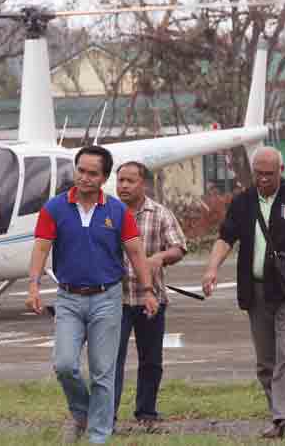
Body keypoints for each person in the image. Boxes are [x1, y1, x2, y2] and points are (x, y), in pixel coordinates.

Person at [26, 146, 158, 445]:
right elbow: (41, 247)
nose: (84, 178)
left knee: (103, 372)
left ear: (103, 177)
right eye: (80, 171)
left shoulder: (117, 211)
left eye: (92, 173)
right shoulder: (54, 209)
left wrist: (148, 291)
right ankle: (83, 412)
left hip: (107, 298)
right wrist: (33, 285)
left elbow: (136, 253)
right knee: (64, 365)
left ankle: (99, 437)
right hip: (68, 298)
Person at [201, 146, 285, 439]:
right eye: (258, 174)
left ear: (281, 170)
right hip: (255, 289)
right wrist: (211, 269)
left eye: (269, 174)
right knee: (266, 361)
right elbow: (225, 239)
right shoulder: (242, 202)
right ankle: (278, 415)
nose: (263, 179)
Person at [114, 161, 187, 427]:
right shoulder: (108, 213)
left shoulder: (160, 213)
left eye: (129, 181)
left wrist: (160, 258)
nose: (123, 186)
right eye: (120, 180)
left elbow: (179, 247)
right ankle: (106, 415)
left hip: (151, 299)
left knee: (151, 360)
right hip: (115, 300)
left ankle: (146, 413)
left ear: (142, 183)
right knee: (111, 360)